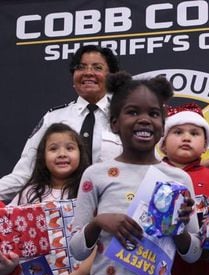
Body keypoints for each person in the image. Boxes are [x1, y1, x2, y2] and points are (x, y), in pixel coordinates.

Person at [69, 72, 201, 275]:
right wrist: (98, 222)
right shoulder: (96, 175)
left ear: (162, 125)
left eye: (154, 114)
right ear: (114, 123)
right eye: (132, 112)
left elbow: (194, 254)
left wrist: (177, 228)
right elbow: (77, 251)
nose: (145, 120)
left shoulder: (178, 179)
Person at [0, 45, 122, 202]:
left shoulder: (124, 117)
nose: (88, 73)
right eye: (81, 67)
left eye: (97, 67)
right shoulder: (53, 118)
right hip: (60, 214)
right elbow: (24, 173)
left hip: (111, 208)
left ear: (111, 76)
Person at [0, 123, 92, 275]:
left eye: (69, 148)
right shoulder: (30, 193)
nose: (62, 154)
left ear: (81, 153)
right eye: (53, 149)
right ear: (43, 156)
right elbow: (8, 227)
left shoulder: (89, 192)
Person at [160, 103, 209, 275]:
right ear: (162, 144)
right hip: (159, 266)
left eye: (194, 133)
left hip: (205, 270)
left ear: (205, 146)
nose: (186, 138)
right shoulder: (152, 175)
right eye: (178, 132)